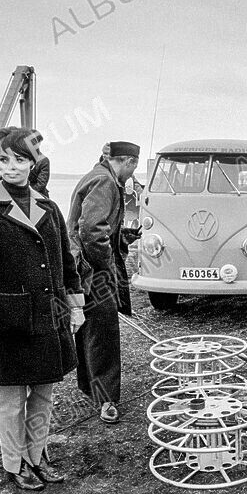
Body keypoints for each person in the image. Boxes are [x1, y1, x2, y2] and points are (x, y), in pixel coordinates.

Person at [0, 126, 85, 491]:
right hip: (9, 321)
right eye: (3, 159)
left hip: (50, 316)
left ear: (34, 162)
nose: (11, 166)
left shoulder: (49, 207)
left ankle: (37, 453)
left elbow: (66, 261)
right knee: (11, 398)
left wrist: (75, 306)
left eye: (19, 159)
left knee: (44, 392)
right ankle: (14, 463)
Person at [68, 141, 140, 424]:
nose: (132, 176)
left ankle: (92, 390)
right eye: (133, 169)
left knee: (90, 331)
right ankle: (106, 400)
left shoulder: (96, 175)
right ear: (129, 162)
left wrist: (123, 236)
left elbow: (94, 226)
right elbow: (91, 230)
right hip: (93, 271)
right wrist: (106, 262)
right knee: (104, 335)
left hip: (83, 268)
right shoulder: (105, 181)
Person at [27, 130, 51, 197]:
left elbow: (41, 184)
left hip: (38, 196)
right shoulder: (18, 159)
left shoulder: (43, 160)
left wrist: (25, 194)